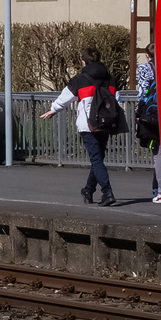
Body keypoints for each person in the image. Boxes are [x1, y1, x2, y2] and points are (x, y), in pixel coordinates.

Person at [42, 47, 117, 206]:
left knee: (96, 160)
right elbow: (117, 99)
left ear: (84, 62)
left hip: (87, 124)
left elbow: (65, 97)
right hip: (106, 123)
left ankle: (107, 192)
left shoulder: (80, 79)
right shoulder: (110, 79)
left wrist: (53, 109)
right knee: (98, 159)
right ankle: (88, 190)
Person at [134, 58, 161, 202]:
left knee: (158, 154)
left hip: (153, 118)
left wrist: (139, 114)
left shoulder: (145, 68)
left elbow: (142, 92)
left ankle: (159, 190)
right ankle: (159, 190)